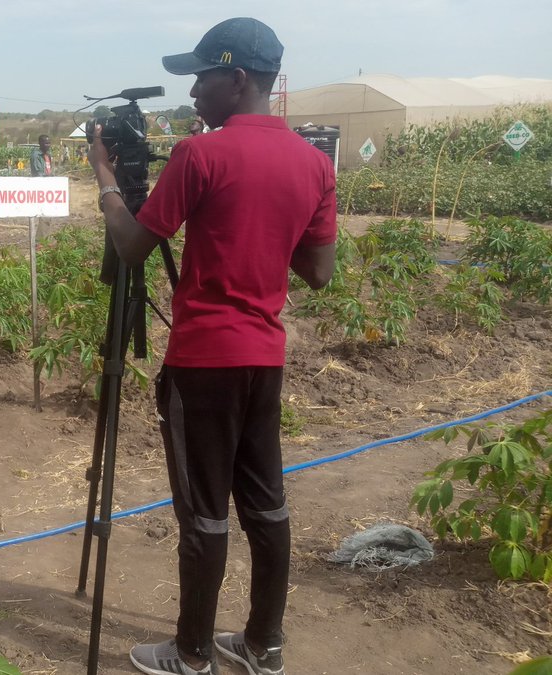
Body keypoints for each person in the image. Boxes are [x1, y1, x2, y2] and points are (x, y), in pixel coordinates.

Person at [88, 18, 336, 675]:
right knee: (266, 502)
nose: (193, 90)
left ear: (238, 79)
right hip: (264, 356)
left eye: (202, 77)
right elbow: (319, 271)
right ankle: (264, 643)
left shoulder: (200, 156)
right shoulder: (315, 163)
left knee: (205, 510)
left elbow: (134, 244)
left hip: (204, 361)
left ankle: (193, 651)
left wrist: (107, 178)